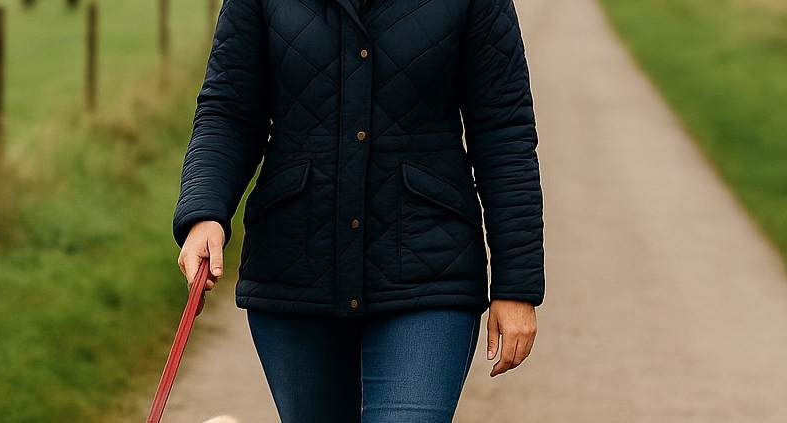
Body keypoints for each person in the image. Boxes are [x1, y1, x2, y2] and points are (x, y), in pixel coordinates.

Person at [174, 0, 543, 421]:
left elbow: (503, 131)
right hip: (295, 268)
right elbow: (229, 111)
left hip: (430, 269)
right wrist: (205, 211)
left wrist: (516, 284)